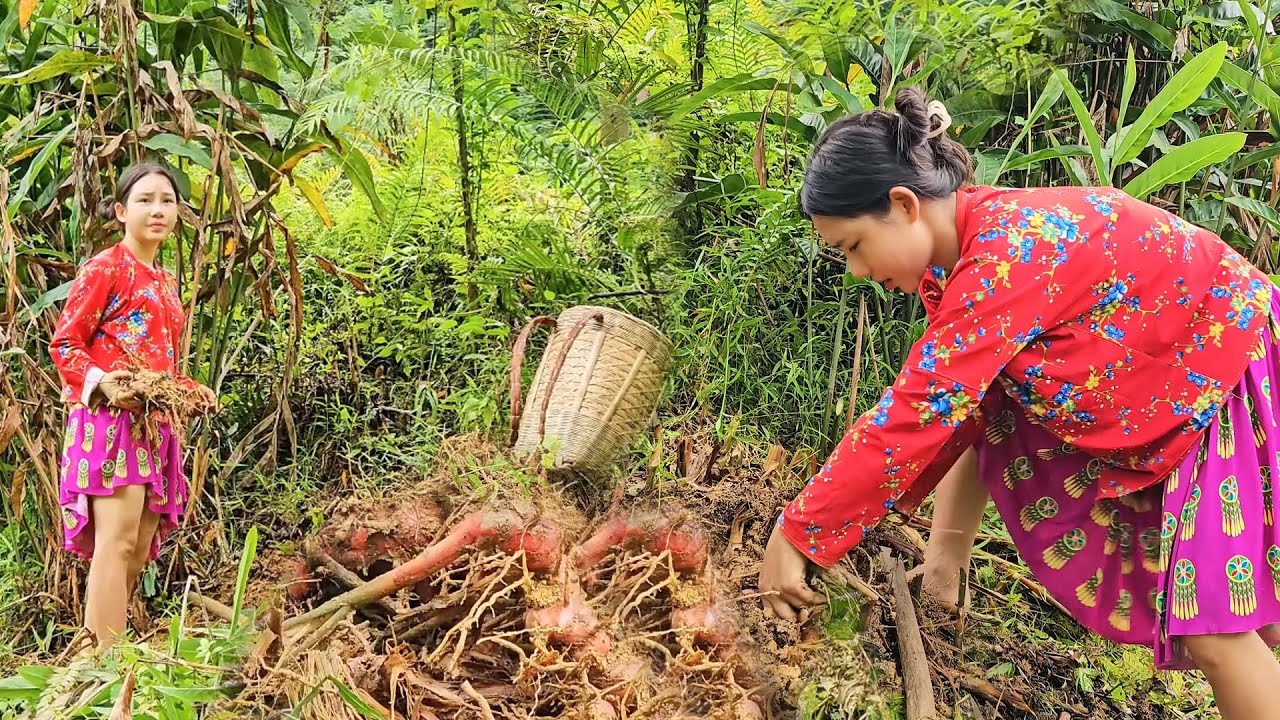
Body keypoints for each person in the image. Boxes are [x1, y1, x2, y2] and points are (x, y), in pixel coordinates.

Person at [757, 86, 1280, 719]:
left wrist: (801, 530)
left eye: (853, 247)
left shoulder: (1006, 255)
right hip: (1192, 376)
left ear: (903, 204)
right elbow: (972, 413)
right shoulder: (962, 267)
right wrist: (943, 565)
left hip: (1222, 361)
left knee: (1217, 630)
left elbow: (918, 413)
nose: (858, 271)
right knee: (1259, 619)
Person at [49, 163, 217, 650]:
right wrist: (107, 385)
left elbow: (156, 360)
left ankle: (100, 651)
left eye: (167, 200)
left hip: (153, 423)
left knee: (139, 549)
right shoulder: (106, 267)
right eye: (145, 200)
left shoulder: (163, 280)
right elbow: (65, 345)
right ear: (122, 211)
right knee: (116, 542)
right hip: (109, 420)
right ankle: (106, 661)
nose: (158, 210)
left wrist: (187, 388)